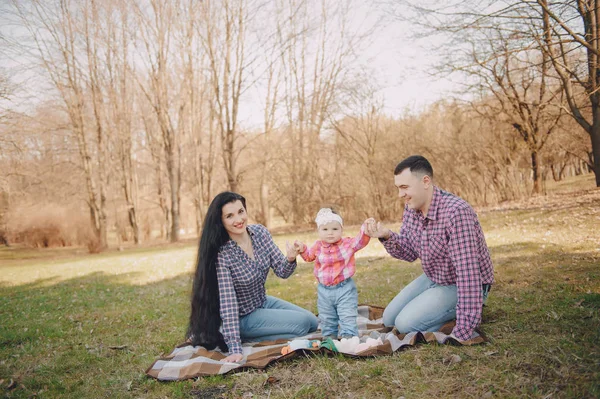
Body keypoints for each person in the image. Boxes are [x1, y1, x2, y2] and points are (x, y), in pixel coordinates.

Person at [365, 155, 494, 342]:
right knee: (389, 318)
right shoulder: (411, 208)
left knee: (404, 325)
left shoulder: (456, 213)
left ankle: (459, 313)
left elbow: (468, 275)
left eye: (404, 187)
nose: (400, 195)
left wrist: (464, 330)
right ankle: (435, 310)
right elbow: (410, 252)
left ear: (426, 181)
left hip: (462, 283)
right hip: (436, 276)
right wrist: (386, 235)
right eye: (398, 188)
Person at [187, 191, 318, 363]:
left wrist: (291, 258)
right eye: (230, 216)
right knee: (301, 325)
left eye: (241, 212)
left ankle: (258, 331)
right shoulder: (223, 254)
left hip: (262, 302)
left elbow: (282, 271)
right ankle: (233, 334)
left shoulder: (260, 233)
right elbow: (228, 304)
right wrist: (234, 348)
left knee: (312, 322)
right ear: (221, 221)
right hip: (242, 316)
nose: (238, 219)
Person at [294, 208, 371, 339]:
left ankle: (349, 338)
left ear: (341, 230)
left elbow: (360, 241)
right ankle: (330, 338)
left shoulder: (347, 244)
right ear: (318, 231)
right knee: (327, 317)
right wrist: (302, 249)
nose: (330, 233)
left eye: (335, 229)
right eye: (325, 229)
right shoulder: (318, 246)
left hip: (344, 288)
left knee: (347, 315)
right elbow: (308, 257)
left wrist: (366, 228)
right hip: (324, 291)